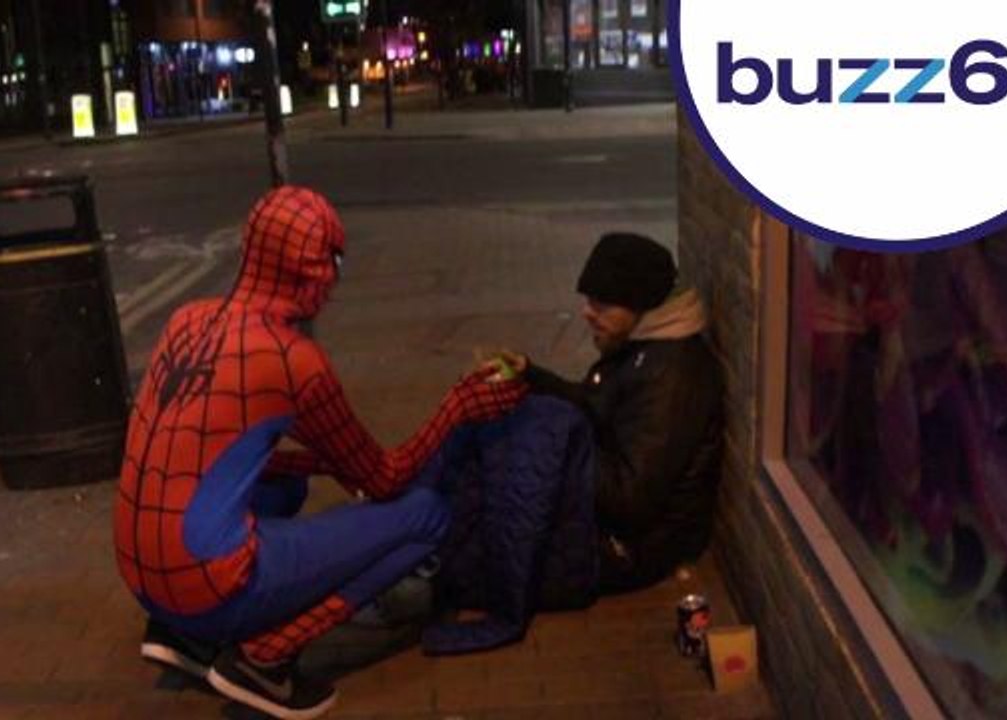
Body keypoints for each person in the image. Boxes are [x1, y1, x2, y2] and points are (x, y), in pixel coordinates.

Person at [112, 186, 526, 719]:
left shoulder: (186, 319)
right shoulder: (293, 359)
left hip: (143, 577)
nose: (333, 281)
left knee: (287, 483)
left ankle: (182, 640)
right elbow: (384, 478)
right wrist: (459, 405)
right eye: (332, 262)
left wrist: (320, 461)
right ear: (313, 272)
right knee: (426, 516)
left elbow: (195, 455)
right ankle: (265, 661)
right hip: (208, 585)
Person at [499, 232, 722, 594]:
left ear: (641, 306)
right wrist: (532, 376)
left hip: (632, 549)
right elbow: (594, 406)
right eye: (589, 300)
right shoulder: (641, 347)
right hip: (605, 522)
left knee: (488, 543)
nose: (588, 313)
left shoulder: (673, 375)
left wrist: (556, 441)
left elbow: (629, 499)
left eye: (603, 305)